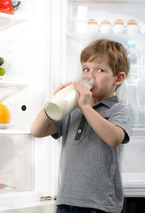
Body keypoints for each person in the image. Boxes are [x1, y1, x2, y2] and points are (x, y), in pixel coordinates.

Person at [31, 39, 132, 213]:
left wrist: (86, 107)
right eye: (86, 69)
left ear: (118, 78)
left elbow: (114, 138)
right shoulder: (73, 110)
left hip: (99, 205)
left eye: (100, 70)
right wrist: (54, 101)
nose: (89, 76)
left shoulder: (119, 109)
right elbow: (37, 130)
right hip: (66, 200)